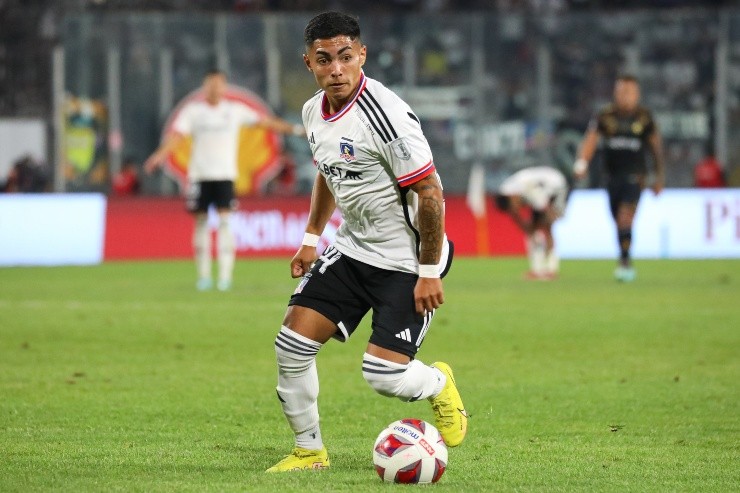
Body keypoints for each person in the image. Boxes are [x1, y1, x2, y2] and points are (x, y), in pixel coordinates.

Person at [266, 11, 467, 473]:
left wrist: (428, 271)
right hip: (353, 249)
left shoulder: (386, 115)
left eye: (345, 57)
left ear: (362, 55)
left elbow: (429, 192)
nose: (336, 69)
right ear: (309, 63)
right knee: (291, 345)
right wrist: (311, 238)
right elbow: (328, 171)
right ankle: (309, 452)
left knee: (383, 375)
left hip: (406, 261)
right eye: (324, 60)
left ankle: (438, 383)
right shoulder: (313, 111)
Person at [144, 69, 305, 291]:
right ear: (204, 87)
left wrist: (295, 129)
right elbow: (177, 137)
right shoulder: (193, 112)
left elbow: (265, 122)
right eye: (210, 85)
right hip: (199, 176)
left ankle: (225, 277)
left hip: (225, 176)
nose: (214, 89)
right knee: (201, 223)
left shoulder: (234, 111)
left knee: (225, 223)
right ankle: (203, 276)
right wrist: (159, 156)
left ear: (224, 87)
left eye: (218, 84)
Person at [573, 74, 665, 282]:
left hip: (635, 176)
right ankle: (624, 254)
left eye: (629, 92)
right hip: (612, 177)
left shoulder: (645, 118)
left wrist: (659, 177)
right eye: (621, 91)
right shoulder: (605, 116)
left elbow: (655, 149)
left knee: (625, 216)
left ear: (637, 94)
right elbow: (591, 140)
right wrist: (582, 162)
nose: (625, 96)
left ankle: (625, 263)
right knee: (618, 220)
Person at [494, 166, 568, 280]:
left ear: (512, 197)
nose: (517, 208)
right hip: (544, 188)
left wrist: (550, 216)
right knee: (534, 230)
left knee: (547, 227)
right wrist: (527, 228)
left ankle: (551, 269)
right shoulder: (508, 192)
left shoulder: (528, 189)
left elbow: (544, 208)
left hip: (556, 187)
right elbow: (515, 213)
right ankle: (538, 269)